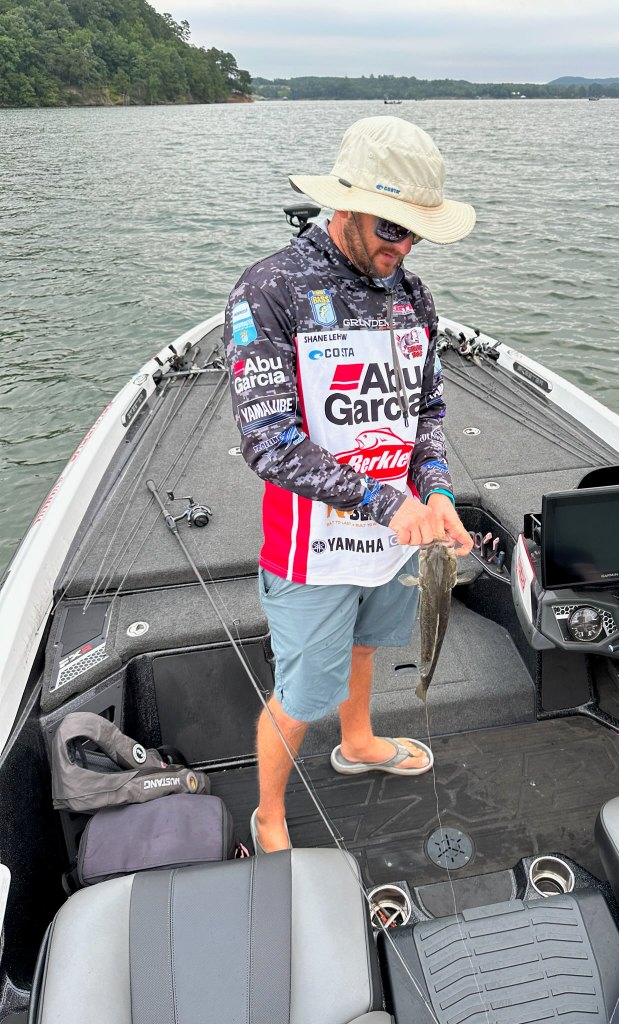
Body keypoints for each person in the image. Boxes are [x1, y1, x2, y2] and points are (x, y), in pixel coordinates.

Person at [224, 116, 475, 852]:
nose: (404, 247)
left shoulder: (414, 297)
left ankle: (358, 739)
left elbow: (426, 411)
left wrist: (436, 491)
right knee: (302, 693)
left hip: (394, 541)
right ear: (345, 206)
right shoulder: (268, 290)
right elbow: (270, 442)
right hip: (312, 551)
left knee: (368, 646)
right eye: (392, 228)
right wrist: (386, 502)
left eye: (415, 232)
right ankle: (269, 813)